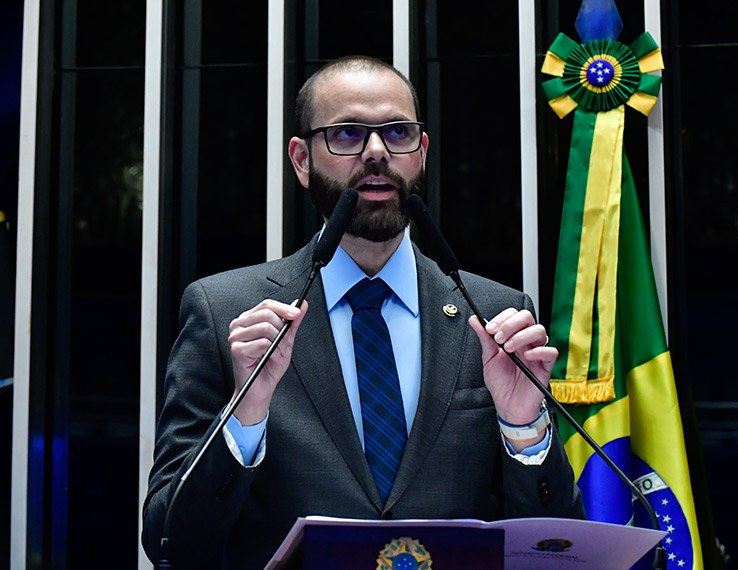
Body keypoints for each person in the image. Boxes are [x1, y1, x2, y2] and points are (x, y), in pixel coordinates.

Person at [142, 55, 584, 569]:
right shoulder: (226, 314)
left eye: (397, 132)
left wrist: (524, 429)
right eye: (348, 135)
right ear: (302, 160)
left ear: (421, 152)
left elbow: (555, 547)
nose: (377, 152)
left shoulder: (493, 315)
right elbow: (171, 542)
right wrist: (244, 415)